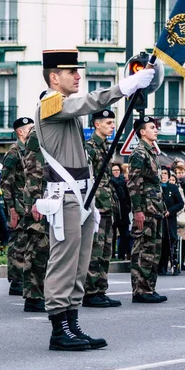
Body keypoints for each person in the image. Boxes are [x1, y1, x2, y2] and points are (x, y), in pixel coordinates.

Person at [35, 49, 154, 351]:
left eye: (78, 71)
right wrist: (121, 88)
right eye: (71, 72)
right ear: (53, 77)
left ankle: (72, 324)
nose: (78, 76)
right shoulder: (50, 103)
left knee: (79, 264)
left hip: (82, 196)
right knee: (64, 263)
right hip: (65, 197)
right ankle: (59, 329)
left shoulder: (66, 109)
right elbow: (87, 103)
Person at [83, 110, 121, 308]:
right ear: (97, 124)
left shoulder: (107, 146)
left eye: (113, 122)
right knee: (94, 250)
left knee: (106, 250)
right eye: (108, 122)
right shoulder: (89, 148)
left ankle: (101, 289)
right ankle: (90, 292)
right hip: (96, 205)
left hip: (108, 205)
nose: (112, 125)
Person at [128, 116, 167, 303]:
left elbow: (156, 184)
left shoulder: (151, 152)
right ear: (142, 132)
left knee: (153, 250)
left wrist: (163, 206)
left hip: (155, 208)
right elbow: (134, 183)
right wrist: (137, 210)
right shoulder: (139, 153)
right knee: (143, 249)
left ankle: (149, 288)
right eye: (152, 127)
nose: (156, 130)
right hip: (145, 208)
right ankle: (140, 290)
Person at [1, 117, 34, 296]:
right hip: (17, 205)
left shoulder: (30, 151)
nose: (33, 131)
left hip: (27, 204)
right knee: (17, 244)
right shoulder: (14, 152)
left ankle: (24, 278)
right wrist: (11, 208)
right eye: (30, 128)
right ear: (20, 132)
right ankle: (15, 281)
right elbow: (6, 182)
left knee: (27, 242)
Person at [22, 123, 49, 312]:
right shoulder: (38, 133)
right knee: (37, 249)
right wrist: (36, 200)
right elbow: (32, 170)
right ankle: (33, 296)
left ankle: (42, 293)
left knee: (46, 250)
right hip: (39, 200)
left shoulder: (52, 129)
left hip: (51, 199)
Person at [158, 166, 183, 276]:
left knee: (167, 243)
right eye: (162, 173)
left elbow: (180, 203)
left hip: (169, 219)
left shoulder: (173, 188)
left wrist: (170, 211)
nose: (163, 176)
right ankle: (158, 266)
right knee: (158, 243)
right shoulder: (156, 187)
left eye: (165, 173)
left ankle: (164, 265)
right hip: (158, 220)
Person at [111, 163, 131, 260]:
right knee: (112, 234)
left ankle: (122, 255)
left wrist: (128, 207)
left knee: (125, 235)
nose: (116, 172)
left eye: (117, 170)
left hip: (123, 212)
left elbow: (128, 197)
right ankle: (111, 255)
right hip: (114, 211)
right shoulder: (110, 183)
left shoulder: (124, 183)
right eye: (114, 170)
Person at [174, 162, 185, 270]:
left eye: (182, 172)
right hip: (180, 213)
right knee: (181, 238)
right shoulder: (176, 185)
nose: (180, 175)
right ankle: (179, 260)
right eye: (178, 173)